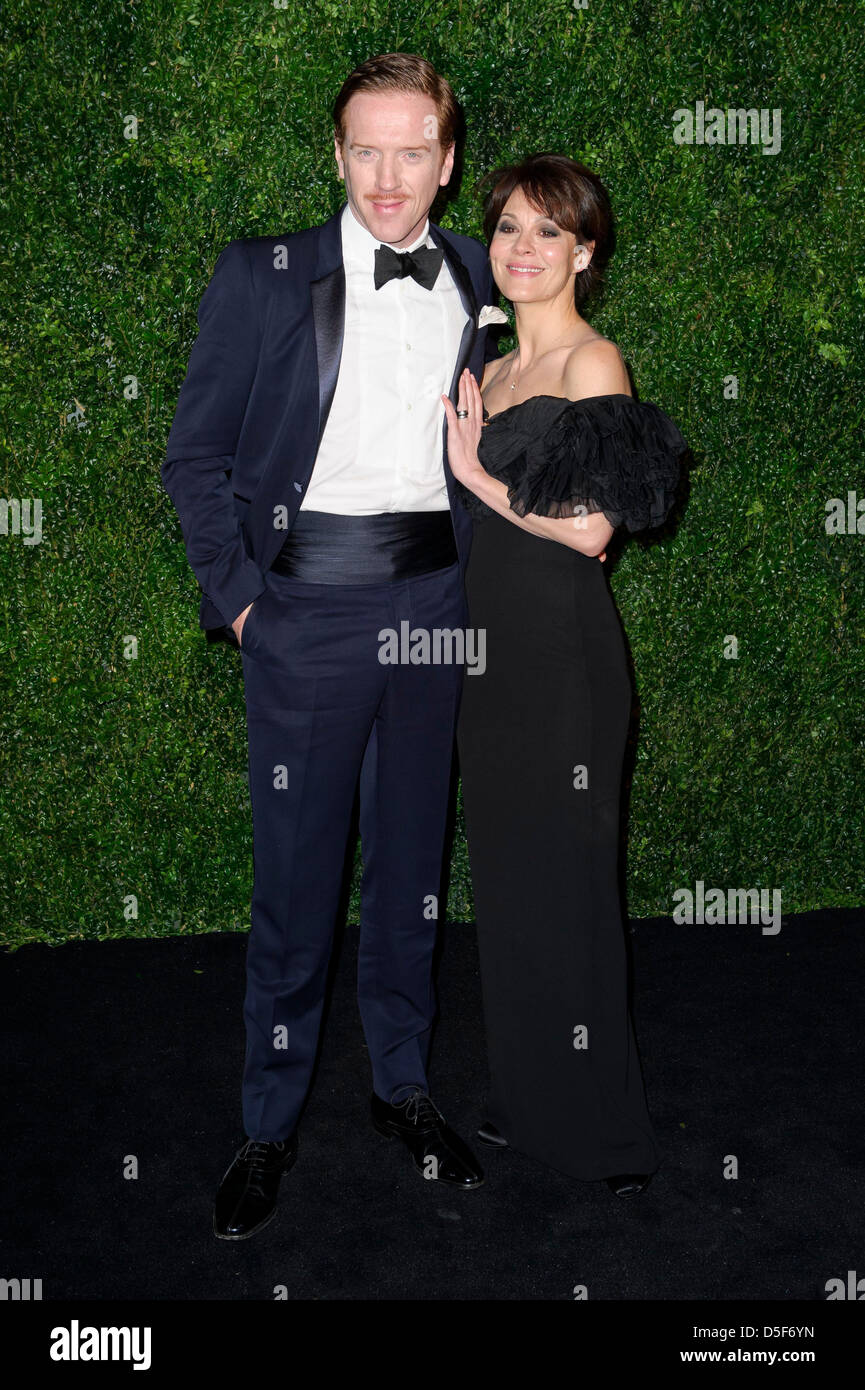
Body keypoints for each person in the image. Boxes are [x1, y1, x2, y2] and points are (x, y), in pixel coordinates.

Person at [162, 53, 503, 1240]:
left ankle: (402, 1089)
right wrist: (247, 605)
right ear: (338, 153)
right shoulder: (261, 278)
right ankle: (268, 1120)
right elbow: (193, 459)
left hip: (430, 606)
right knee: (294, 888)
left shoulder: (471, 271)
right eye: (367, 149)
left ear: (447, 163)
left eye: (414, 150)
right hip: (302, 616)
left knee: (410, 867)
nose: (388, 176)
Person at [441, 153, 687, 1197]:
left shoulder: (594, 363)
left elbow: (591, 530)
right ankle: (532, 1099)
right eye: (505, 228)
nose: (521, 249)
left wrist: (470, 475)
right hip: (488, 655)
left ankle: (603, 1134)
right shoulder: (488, 370)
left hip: (564, 656)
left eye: (548, 232)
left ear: (585, 250)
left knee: (572, 882)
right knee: (509, 881)